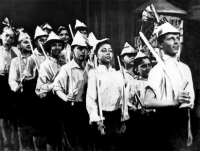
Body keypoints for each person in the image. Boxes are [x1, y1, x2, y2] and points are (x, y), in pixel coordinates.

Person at [144, 22, 195, 151]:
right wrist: (174, 102)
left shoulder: (185, 69)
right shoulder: (157, 70)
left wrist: (189, 131)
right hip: (164, 122)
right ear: (161, 44)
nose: (176, 42)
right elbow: (147, 101)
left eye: (177, 38)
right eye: (171, 38)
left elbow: (187, 106)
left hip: (183, 121)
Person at [86, 38, 129, 151]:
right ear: (96, 54)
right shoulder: (94, 74)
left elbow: (124, 98)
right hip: (102, 117)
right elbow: (91, 99)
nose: (108, 53)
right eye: (103, 50)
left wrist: (124, 119)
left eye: (110, 50)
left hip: (116, 116)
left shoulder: (118, 74)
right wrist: (97, 121)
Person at [54, 31, 90, 151]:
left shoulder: (90, 68)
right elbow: (57, 87)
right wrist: (65, 97)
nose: (83, 52)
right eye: (80, 49)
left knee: (85, 141)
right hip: (71, 108)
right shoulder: (66, 68)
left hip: (86, 108)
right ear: (73, 50)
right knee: (71, 141)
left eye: (85, 49)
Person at [35, 31, 65, 151]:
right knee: (52, 137)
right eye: (54, 45)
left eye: (59, 45)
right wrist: (55, 84)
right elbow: (40, 88)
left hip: (62, 102)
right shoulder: (45, 65)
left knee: (62, 136)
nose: (57, 48)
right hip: (51, 104)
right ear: (48, 47)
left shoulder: (64, 63)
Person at [22, 26, 48, 151]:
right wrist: (35, 77)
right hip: (37, 98)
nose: (44, 42)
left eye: (45, 39)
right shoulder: (32, 58)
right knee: (38, 129)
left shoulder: (50, 56)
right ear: (36, 42)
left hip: (49, 96)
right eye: (41, 40)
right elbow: (25, 79)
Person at [8, 29, 34, 151]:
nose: (29, 43)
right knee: (22, 125)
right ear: (19, 45)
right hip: (22, 95)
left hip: (35, 95)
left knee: (34, 125)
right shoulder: (15, 61)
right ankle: (24, 148)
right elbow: (12, 79)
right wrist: (16, 87)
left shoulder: (36, 59)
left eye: (30, 41)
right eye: (25, 42)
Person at [125, 51, 154, 151]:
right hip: (139, 121)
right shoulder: (133, 84)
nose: (148, 69)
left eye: (150, 65)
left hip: (155, 120)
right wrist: (136, 110)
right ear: (136, 69)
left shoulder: (156, 82)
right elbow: (127, 103)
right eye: (144, 66)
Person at [0, 18, 19, 151]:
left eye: (12, 37)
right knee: (2, 114)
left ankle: (13, 140)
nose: (9, 39)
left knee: (13, 113)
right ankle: (5, 141)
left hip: (13, 83)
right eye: (7, 36)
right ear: (1, 36)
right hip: (0, 85)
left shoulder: (17, 51)